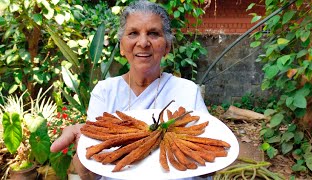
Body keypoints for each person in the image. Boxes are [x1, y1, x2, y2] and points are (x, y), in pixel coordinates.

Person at [51, 0, 209, 179]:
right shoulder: (105, 92)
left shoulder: (187, 91)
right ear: (121, 47)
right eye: (133, 33)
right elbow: (91, 172)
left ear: (167, 46)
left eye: (153, 33)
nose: (143, 42)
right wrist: (82, 151)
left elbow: (207, 163)